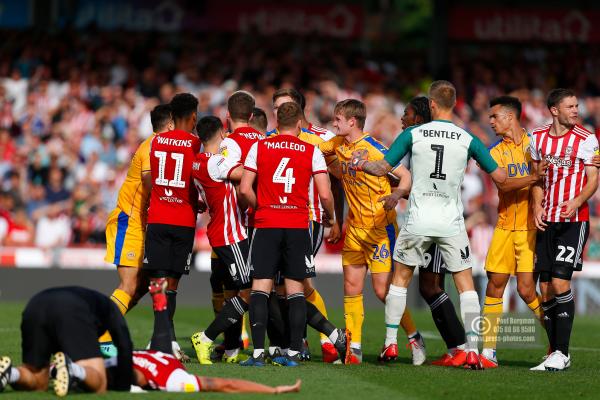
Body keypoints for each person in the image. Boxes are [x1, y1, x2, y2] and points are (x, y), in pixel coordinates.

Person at [352, 80, 507, 369]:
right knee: (465, 287)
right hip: (451, 221)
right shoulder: (467, 137)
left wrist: (359, 163)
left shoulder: (414, 133)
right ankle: (472, 350)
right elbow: (500, 178)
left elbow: (382, 169)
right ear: (454, 103)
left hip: (418, 219)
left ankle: (389, 344)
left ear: (432, 104)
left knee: (399, 280)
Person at [239, 101, 350, 367]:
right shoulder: (311, 150)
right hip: (297, 225)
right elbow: (325, 193)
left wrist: (261, 206)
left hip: (266, 224)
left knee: (260, 289)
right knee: (295, 291)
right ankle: (292, 353)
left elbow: (244, 189)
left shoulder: (260, 146)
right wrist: (331, 217)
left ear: (277, 124)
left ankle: (257, 354)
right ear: (300, 124)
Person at [318, 99, 425, 365]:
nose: (334, 124)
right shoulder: (337, 145)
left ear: (352, 121)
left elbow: (405, 175)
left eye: (338, 120)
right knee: (351, 288)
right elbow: (312, 149)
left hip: (380, 229)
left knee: (381, 291)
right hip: (355, 229)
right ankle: (353, 348)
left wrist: (398, 194)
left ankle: (414, 337)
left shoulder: (374, 149)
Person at [382, 96, 468, 366]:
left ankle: (461, 347)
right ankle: (459, 348)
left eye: (406, 113)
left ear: (418, 117)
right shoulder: (436, 139)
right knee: (429, 286)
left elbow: (412, 180)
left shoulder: (413, 137)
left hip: (433, 220)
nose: (402, 118)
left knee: (430, 285)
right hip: (438, 216)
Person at [100, 104, 188, 359]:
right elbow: (151, 183)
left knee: (140, 288)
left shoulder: (162, 146)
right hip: (129, 221)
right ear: (170, 124)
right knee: (128, 285)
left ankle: (155, 340)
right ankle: (100, 337)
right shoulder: (153, 147)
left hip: (143, 224)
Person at [268, 88, 343, 362]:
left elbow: (338, 180)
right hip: (276, 220)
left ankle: (318, 340)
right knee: (289, 286)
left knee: (294, 285)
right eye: (275, 107)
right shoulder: (270, 140)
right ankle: (319, 339)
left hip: (307, 220)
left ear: (298, 111)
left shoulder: (322, 140)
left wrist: (336, 220)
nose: (278, 112)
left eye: (283, 107)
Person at [529, 88, 599, 371]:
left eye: (577, 105)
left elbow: (593, 180)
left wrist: (577, 200)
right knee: (545, 289)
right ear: (554, 110)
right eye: (570, 106)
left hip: (574, 220)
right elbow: (536, 178)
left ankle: (562, 352)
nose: (575, 110)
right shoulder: (538, 138)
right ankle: (555, 351)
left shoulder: (587, 139)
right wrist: (536, 207)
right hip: (547, 219)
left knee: (559, 283)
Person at [479, 96, 547, 368]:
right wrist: (533, 177)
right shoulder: (494, 152)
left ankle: (556, 340)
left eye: (495, 116)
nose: (491, 121)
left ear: (510, 117)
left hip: (530, 228)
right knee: (495, 285)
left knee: (526, 290)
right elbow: (504, 185)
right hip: (505, 226)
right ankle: (488, 350)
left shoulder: (536, 144)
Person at [190, 116, 251, 365]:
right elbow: (246, 173)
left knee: (232, 293)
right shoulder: (216, 163)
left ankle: (231, 349)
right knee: (248, 293)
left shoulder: (196, 163)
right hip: (231, 234)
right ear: (222, 133)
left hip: (219, 232)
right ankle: (205, 338)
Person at [145, 93, 201, 354]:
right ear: (192, 117)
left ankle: (160, 338)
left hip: (158, 217)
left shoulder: (156, 142)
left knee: (157, 282)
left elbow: (156, 177)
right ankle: (169, 340)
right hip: (183, 220)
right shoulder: (195, 143)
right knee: (173, 285)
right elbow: (195, 177)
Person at [0, 287, 133, 396]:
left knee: (39, 381)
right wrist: (123, 385)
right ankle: (74, 371)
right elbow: (125, 346)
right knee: (100, 383)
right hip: (72, 309)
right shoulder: (112, 308)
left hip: (35, 305)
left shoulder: (94, 301)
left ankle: (11, 374)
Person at [131, 350, 301, 394]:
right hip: (156, 356)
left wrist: (273, 390)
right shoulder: (125, 358)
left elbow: (228, 384)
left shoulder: (172, 380)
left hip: (166, 366)